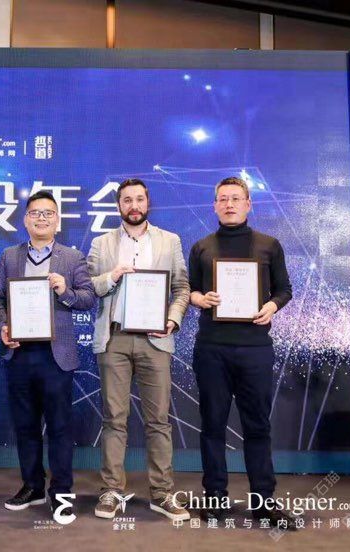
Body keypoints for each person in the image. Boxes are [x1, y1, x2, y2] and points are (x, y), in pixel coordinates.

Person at [187, 176, 295, 528]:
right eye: (223, 199)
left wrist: (272, 307)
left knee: (257, 427)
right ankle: (215, 498)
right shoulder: (202, 247)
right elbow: (189, 290)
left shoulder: (269, 245)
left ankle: (263, 502)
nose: (229, 204)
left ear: (249, 204)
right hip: (212, 349)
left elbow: (284, 289)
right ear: (215, 206)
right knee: (212, 426)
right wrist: (199, 298)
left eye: (236, 198)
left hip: (255, 349)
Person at [86, 178, 191, 522]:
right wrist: (113, 276)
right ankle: (111, 491)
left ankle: (162, 493)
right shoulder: (102, 243)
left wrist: (172, 320)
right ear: (119, 205)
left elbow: (182, 288)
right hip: (114, 339)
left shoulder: (169, 241)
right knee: (114, 419)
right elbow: (88, 287)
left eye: (139, 199)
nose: (134, 205)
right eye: (127, 200)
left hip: (155, 339)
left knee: (158, 420)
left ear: (148, 203)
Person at [0, 191, 95, 518]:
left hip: (56, 355)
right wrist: (4, 325)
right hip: (19, 352)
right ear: (25, 219)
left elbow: (88, 298)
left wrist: (65, 290)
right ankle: (32, 486)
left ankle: (61, 492)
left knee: (60, 427)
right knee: (25, 425)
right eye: (35, 213)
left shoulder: (72, 258)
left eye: (48, 213)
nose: (41, 218)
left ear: (57, 220)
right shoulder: (10, 256)